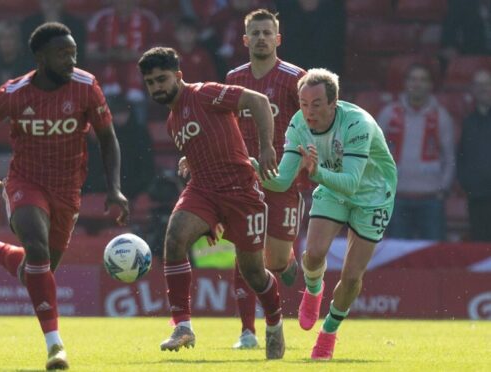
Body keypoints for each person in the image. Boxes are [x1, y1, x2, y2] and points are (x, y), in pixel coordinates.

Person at [0, 22, 129, 370]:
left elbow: (108, 138)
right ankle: (56, 347)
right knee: (36, 250)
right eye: (62, 54)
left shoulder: (86, 87)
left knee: (35, 272)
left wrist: (114, 188)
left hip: (67, 190)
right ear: (40, 57)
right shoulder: (15, 92)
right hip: (26, 181)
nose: (70, 60)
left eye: (73, 53)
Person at [138, 46, 285, 359]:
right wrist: (190, 159)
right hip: (203, 190)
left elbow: (257, 101)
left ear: (178, 76)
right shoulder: (171, 122)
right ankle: (182, 325)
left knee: (255, 273)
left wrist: (267, 148)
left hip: (242, 192)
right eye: (150, 82)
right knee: (174, 237)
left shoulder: (205, 94)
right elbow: (206, 141)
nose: (157, 87)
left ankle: (273, 321)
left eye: (162, 79)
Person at [180, 8, 305, 349]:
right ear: (245, 39)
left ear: (278, 39)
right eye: (256, 33)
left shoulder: (295, 77)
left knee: (274, 260)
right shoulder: (233, 78)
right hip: (240, 178)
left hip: (283, 179)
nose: (262, 38)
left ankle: (288, 258)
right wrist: (192, 154)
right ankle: (248, 332)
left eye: (268, 33)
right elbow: (218, 123)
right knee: (244, 249)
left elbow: (313, 120)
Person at [257, 68, 397, 360]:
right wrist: (249, 168)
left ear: (334, 103)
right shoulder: (297, 124)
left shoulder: (358, 124)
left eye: (317, 104)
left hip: (372, 195)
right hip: (332, 187)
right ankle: (314, 289)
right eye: (304, 104)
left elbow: (352, 183)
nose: (309, 112)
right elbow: (282, 180)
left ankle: (329, 332)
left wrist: (317, 172)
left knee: (351, 276)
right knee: (314, 254)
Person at [377, 64, 454, 240]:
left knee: (433, 255)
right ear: (405, 83)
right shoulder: (388, 114)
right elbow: (375, 154)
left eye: (423, 80)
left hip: (431, 199)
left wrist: (443, 188)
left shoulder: (441, 116)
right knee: (397, 255)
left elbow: (449, 157)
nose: (417, 84)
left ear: (430, 85)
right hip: (397, 198)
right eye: (413, 79)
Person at [457, 69, 491, 241]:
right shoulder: (468, 122)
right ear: (472, 90)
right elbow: (462, 156)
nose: (483, 88)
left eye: (486, 83)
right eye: (478, 84)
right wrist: (467, 183)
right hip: (477, 197)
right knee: (480, 247)